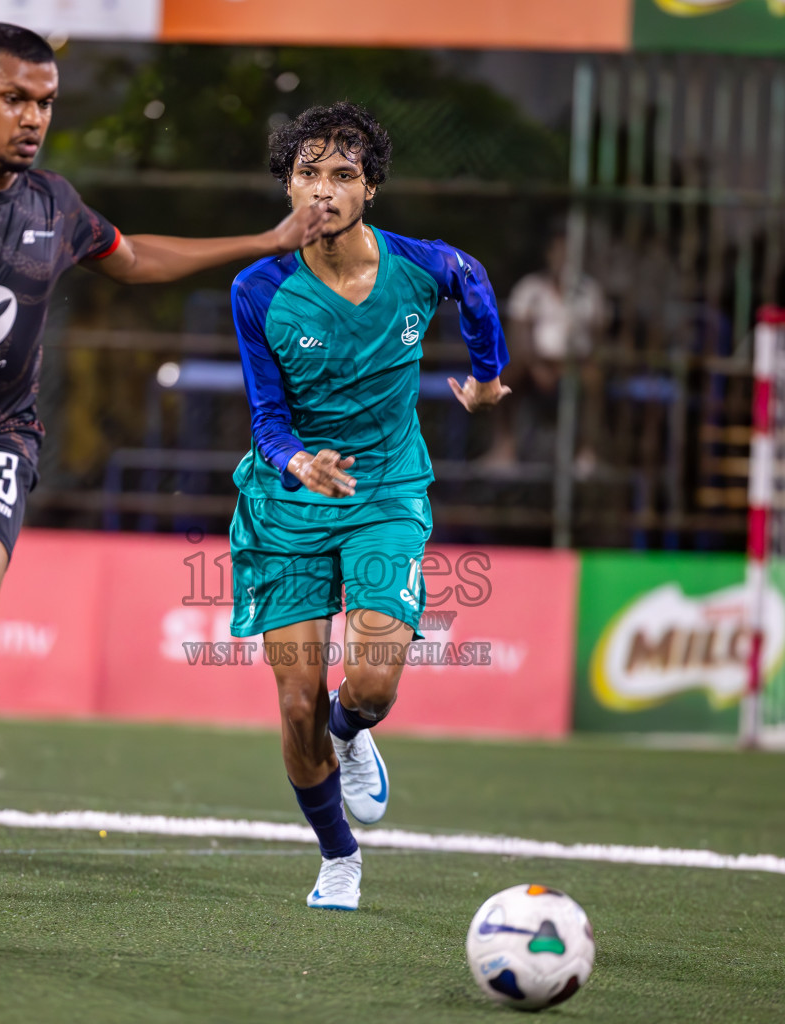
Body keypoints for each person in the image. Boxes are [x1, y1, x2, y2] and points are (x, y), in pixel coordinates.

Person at [0, 23, 325, 915]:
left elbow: (131, 260)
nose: (34, 118)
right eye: (14, 97)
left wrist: (269, 240)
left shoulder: (54, 205)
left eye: (46, 102)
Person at [228, 103, 509, 911]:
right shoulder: (259, 289)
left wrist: (488, 376)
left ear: (370, 190)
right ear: (288, 184)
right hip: (288, 505)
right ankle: (339, 858)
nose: (323, 189)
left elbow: (474, 282)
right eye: (308, 173)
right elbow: (266, 421)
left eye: (342, 175)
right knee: (294, 704)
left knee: (374, 687)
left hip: (385, 493)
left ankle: (352, 737)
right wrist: (295, 462)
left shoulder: (421, 266)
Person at [478, 225, 603, 475]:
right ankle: (505, 446)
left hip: (575, 364)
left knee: (595, 379)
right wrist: (536, 367)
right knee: (502, 377)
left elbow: (598, 337)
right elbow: (517, 335)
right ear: (549, 254)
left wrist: (575, 363)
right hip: (534, 364)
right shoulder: (529, 289)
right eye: (559, 251)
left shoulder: (589, 293)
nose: (564, 258)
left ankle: (587, 453)